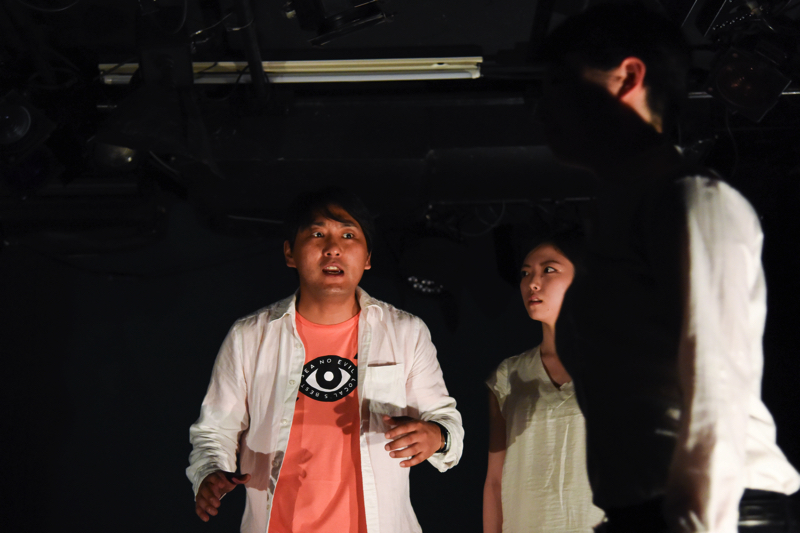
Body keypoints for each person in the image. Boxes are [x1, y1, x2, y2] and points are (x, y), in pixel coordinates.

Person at [536, 3, 800, 532]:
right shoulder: (624, 212)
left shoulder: (691, 201)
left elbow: (718, 379)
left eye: (559, 83)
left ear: (628, 77)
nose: (542, 105)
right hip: (657, 511)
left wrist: (697, 521)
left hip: (713, 509)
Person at [186, 188, 464, 533]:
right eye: (317, 234)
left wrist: (436, 437)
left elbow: (446, 423)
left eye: (348, 235)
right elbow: (215, 430)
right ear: (290, 252)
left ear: (367, 257)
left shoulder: (405, 332)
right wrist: (209, 473)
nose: (333, 248)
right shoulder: (250, 336)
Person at [483, 236, 604, 533]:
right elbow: (495, 481)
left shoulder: (618, 367)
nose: (532, 283)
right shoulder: (509, 375)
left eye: (549, 270)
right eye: (526, 273)